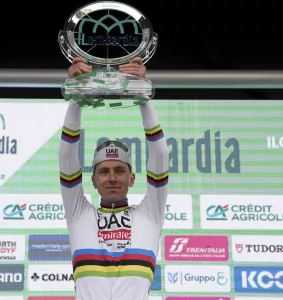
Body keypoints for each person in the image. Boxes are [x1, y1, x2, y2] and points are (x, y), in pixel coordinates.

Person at [59, 56, 169, 300]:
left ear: (131, 178)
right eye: (103, 171)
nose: (111, 177)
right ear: (93, 180)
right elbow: (67, 154)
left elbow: (160, 154)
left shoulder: (151, 213)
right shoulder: (78, 213)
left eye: (119, 171)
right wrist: (77, 96)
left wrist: (143, 96)